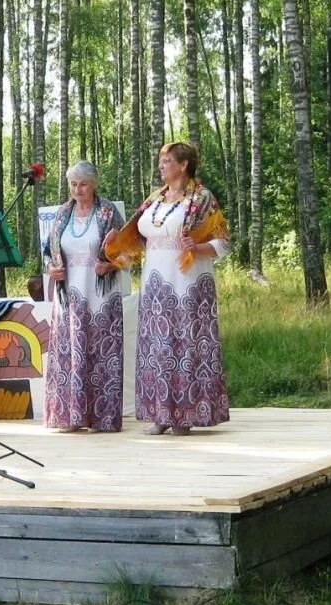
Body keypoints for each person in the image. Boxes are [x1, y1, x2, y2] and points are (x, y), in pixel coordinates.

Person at [106, 142, 230, 436]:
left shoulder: (201, 199)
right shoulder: (154, 200)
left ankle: (185, 415)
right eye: (161, 161)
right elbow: (135, 236)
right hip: (156, 282)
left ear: (183, 165)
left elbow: (225, 242)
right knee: (157, 346)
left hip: (188, 282)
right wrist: (117, 240)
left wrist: (198, 247)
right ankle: (160, 413)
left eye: (167, 161)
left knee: (185, 345)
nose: (161, 166)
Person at [44, 160, 126, 433]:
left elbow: (128, 249)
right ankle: (70, 415)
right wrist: (51, 268)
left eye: (83, 184)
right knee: (69, 351)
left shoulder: (107, 212)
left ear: (94, 184)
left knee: (101, 352)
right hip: (69, 295)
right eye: (73, 184)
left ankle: (101, 416)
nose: (77, 189)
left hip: (99, 293)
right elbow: (47, 251)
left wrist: (111, 265)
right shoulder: (61, 214)